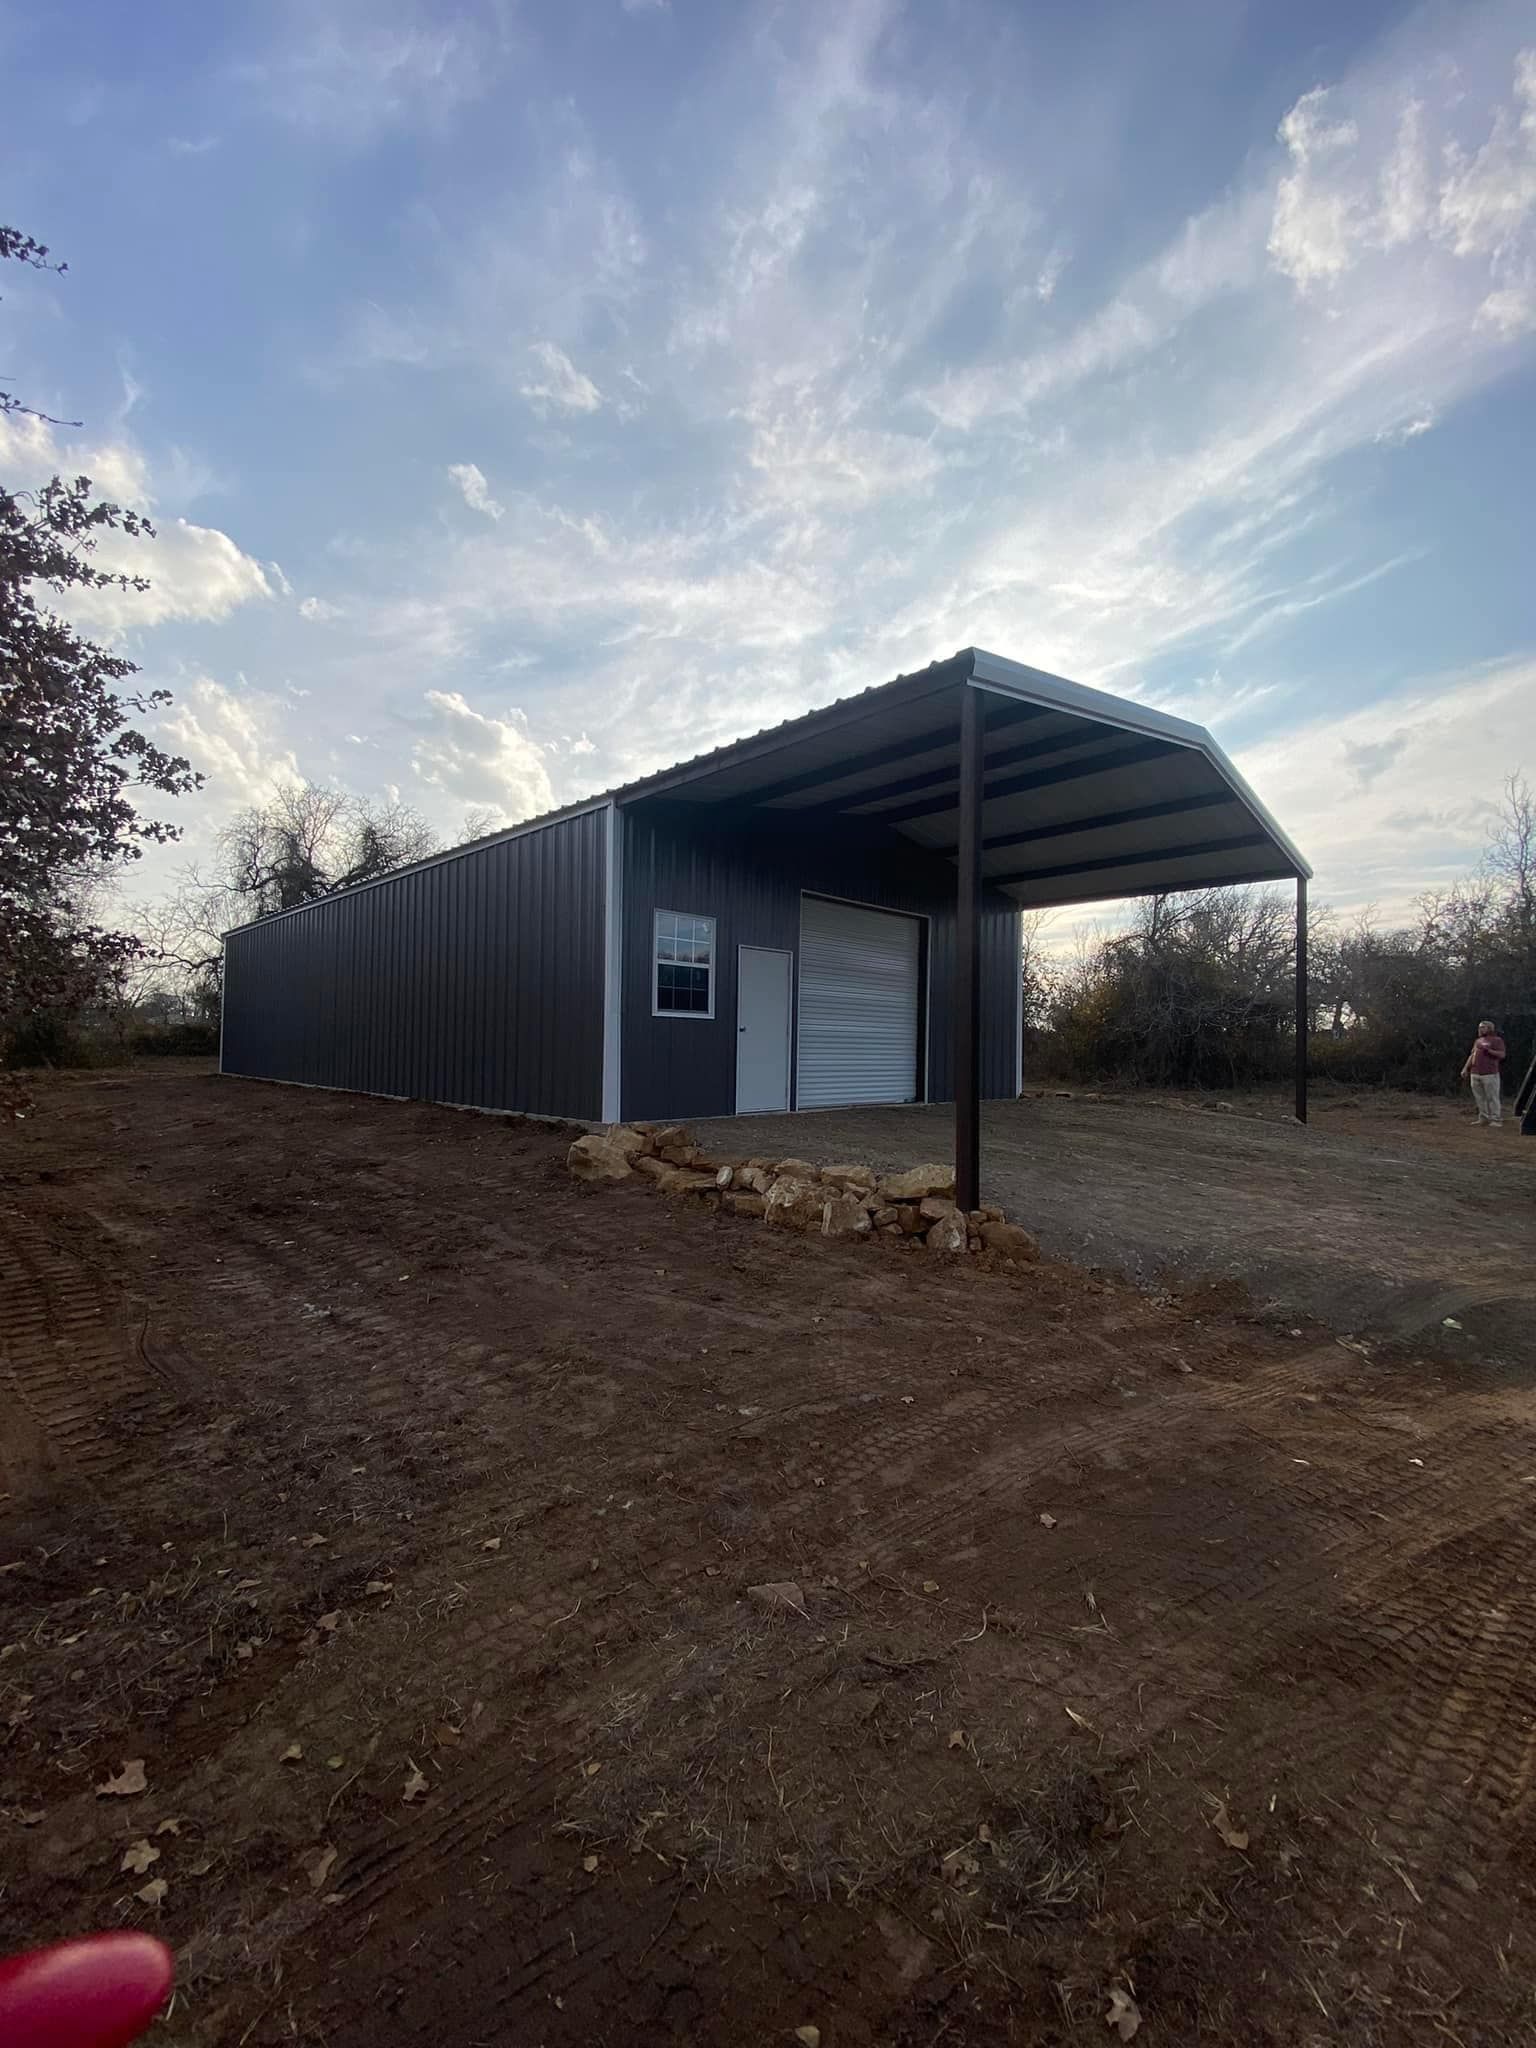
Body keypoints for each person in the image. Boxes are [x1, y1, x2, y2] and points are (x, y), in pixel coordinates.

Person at [1461, 1018, 1506, 1127]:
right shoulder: (1478, 1041)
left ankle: (1496, 1119)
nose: (1480, 1029)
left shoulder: (1497, 1040)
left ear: (1490, 1028)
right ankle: (1483, 1118)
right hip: (1475, 1072)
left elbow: (1502, 1055)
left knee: (1492, 1097)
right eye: (1479, 1027)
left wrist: (1488, 1050)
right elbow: (1472, 1055)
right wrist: (1465, 1068)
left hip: (1490, 1073)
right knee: (1479, 1097)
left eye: (1483, 1027)